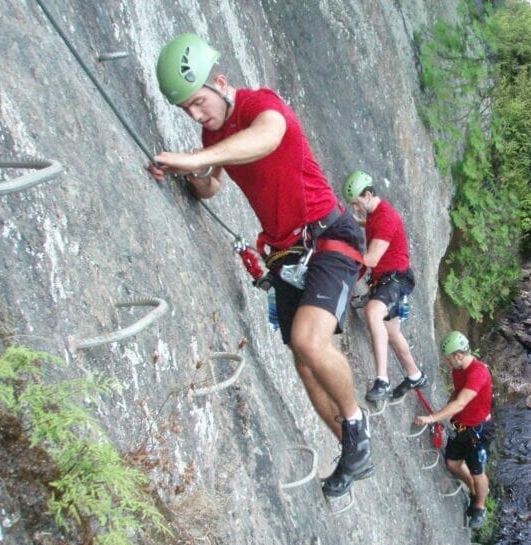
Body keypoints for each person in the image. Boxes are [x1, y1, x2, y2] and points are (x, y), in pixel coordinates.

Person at [149, 34, 370, 498]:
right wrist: (189, 171)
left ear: (220, 82)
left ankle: (356, 423)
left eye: (198, 102)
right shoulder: (213, 136)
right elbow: (211, 187)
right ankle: (352, 451)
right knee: (303, 362)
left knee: (310, 340)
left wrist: (198, 157)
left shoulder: (261, 105)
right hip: (286, 253)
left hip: (328, 236)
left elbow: (268, 136)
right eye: (186, 110)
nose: (196, 115)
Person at [341, 170, 428, 404]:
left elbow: (370, 259)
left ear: (368, 195)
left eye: (357, 203)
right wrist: (353, 220)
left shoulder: (386, 218)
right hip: (390, 278)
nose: (356, 208)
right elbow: (371, 225)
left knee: (373, 313)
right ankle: (415, 375)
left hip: (395, 280)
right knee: (391, 332)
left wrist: (340, 251)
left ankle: (382, 380)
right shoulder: (376, 213)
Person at [414, 331, 493, 529]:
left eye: (449, 358)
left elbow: (461, 402)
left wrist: (433, 418)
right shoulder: (458, 370)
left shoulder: (478, 373)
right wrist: (445, 413)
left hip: (477, 431)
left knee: (478, 471)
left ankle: (480, 506)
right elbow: (457, 393)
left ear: (458, 355)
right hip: (461, 426)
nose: (447, 362)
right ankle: (472, 487)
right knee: (453, 463)